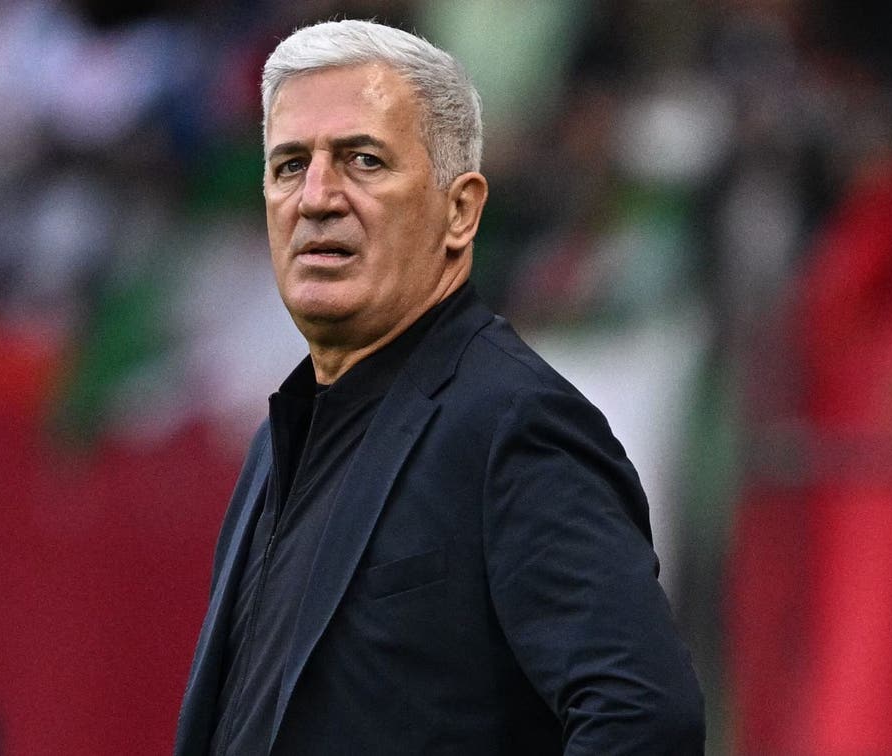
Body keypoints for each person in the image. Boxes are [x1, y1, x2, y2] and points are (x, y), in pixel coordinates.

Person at [174, 19, 704, 755]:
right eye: (290, 165)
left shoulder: (513, 421)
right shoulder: (276, 442)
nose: (316, 197)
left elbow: (644, 716)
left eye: (363, 160)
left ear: (459, 211)